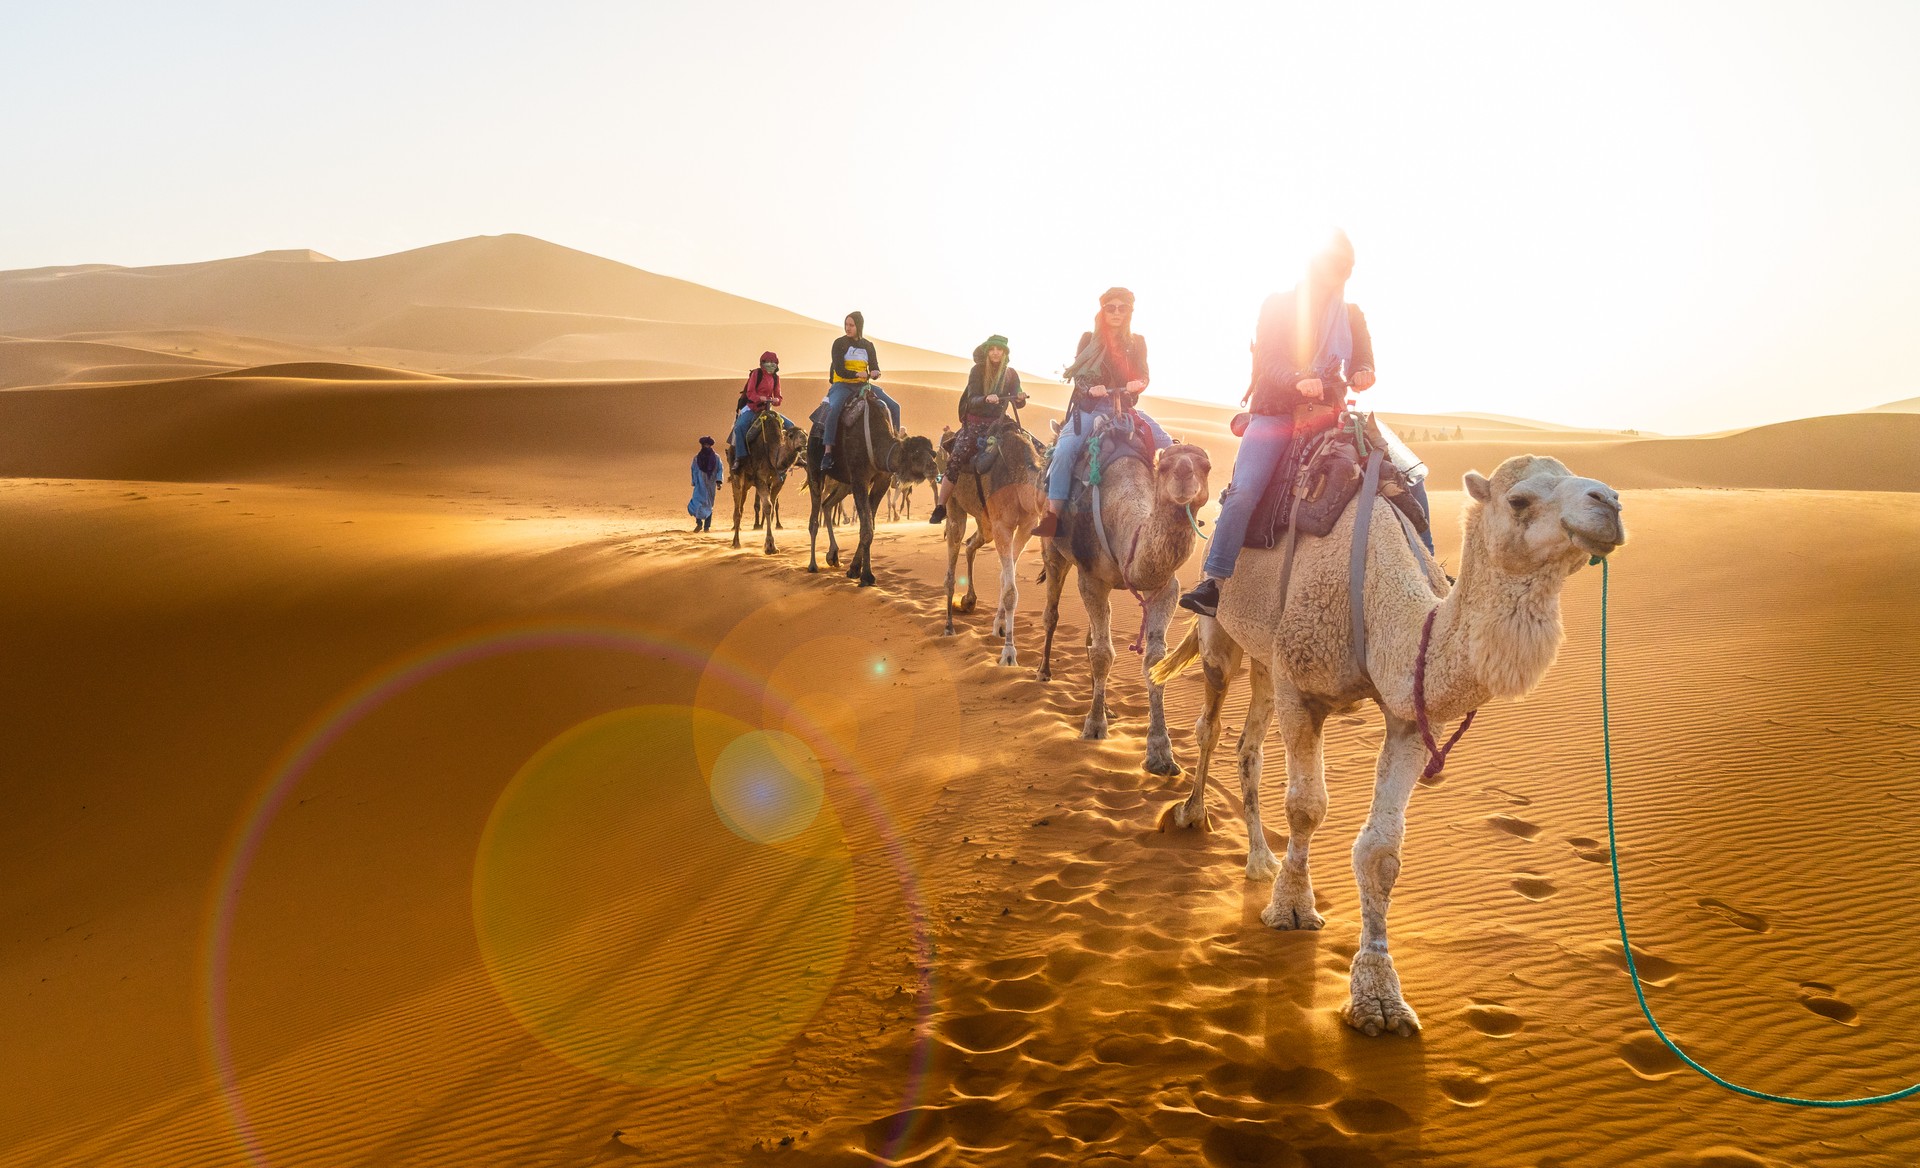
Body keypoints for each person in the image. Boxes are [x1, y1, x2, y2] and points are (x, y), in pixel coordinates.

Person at [1178, 232, 1377, 616]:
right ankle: (1214, 582)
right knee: (1245, 491)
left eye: (1341, 267)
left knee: (1401, 475)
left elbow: (1363, 358)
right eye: (1328, 264)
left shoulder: (1351, 315)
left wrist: (1364, 373)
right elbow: (1267, 359)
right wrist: (1296, 379)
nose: (1333, 273)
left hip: (1330, 415)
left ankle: (1428, 568)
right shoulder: (1278, 305)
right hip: (1276, 413)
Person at [1033, 287, 1173, 539]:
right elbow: (1078, 374)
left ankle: (1177, 511)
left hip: (1124, 408)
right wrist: (1090, 388)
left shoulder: (1137, 342)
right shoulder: (1088, 339)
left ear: (1130, 312)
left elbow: (1144, 374)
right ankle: (1053, 517)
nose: (1117, 312)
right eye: (1111, 308)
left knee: (1169, 446)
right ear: (1103, 310)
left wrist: (1139, 383)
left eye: (1123, 308)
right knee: (1065, 451)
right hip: (1090, 409)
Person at [928, 335, 1025, 524]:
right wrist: (986, 398)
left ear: (1005, 353)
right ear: (987, 352)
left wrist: (1020, 398)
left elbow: (1017, 398)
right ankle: (940, 506)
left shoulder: (1011, 374)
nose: (996, 352)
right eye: (992, 349)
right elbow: (972, 398)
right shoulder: (977, 371)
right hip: (976, 422)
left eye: (999, 349)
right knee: (957, 457)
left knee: (1027, 447)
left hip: (1000, 422)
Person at [819, 312, 902, 472]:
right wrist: (857, 374)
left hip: (863, 386)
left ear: (859, 326)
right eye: (846, 324)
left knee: (894, 406)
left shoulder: (868, 345)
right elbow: (839, 369)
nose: (848, 328)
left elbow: (874, 365)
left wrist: (876, 373)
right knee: (834, 409)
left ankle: (896, 446)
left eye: (851, 325)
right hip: (842, 385)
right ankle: (827, 452)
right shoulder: (839, 343)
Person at [729, 351, 787, 471]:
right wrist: (761, 398)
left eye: (773, 363)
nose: (771, 365)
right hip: (753, 408)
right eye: (768, 362)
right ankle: (740, 458)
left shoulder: (776, 378)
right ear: (763, 363)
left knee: (791, 425)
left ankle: (789, 456)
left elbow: (779, 397)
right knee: (739, 427)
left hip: (767, 410)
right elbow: (750, 393)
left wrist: (775, 400)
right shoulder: (757, 374)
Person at [689, 436, 724, 531]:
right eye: (704, 445)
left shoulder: (716, 458)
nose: (706, 447)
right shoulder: (697, 458)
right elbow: (693, 470)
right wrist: (694, 481)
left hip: (710, 485)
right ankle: (699, 523)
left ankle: (707, 527)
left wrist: (719, 481)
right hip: (699, 485)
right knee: (696, 504)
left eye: (708, 445)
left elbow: (720, 469)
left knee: (709, 505)